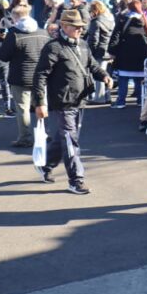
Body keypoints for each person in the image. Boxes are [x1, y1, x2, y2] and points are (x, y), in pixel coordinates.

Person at [33, 10, 111, 195]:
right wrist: (40, 102)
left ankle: (45, 165)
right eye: (76, 27)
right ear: (64, 27)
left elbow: (92, 65)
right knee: (70, 140)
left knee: (64, 139)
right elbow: (40, 75)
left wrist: (105, 75)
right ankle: (76, 180)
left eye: (81, 27)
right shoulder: (53, 47)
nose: (80, 30)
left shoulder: (83, 45)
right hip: (61, 102)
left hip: (79, 99)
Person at [0, 5, 51, 148]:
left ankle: (25, 138)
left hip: (20, 76)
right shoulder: (43, 32)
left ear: (15, 17)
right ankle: (44, 133)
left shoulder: (14, 34)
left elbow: (3, 56)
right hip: (40, 75)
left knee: (23, 109)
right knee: (41, 105)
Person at [108, 0, 147, 108]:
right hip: (141, 54)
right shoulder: (144, 20)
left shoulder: (123, 19)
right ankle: (140, 100)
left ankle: (121, 101)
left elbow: (116, 35)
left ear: (130, 8)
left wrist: (112, 51)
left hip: (125, 53)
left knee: (123, 79)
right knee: (139, 80)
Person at [85, 0, 114, 104]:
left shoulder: (95, 22)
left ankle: (99, 98)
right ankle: (107, 96)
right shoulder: (109, 21)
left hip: (98, 52)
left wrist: (90, 52)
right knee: (105, 74)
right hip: (106, 51)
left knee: (98, 75)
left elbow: (94, 40)